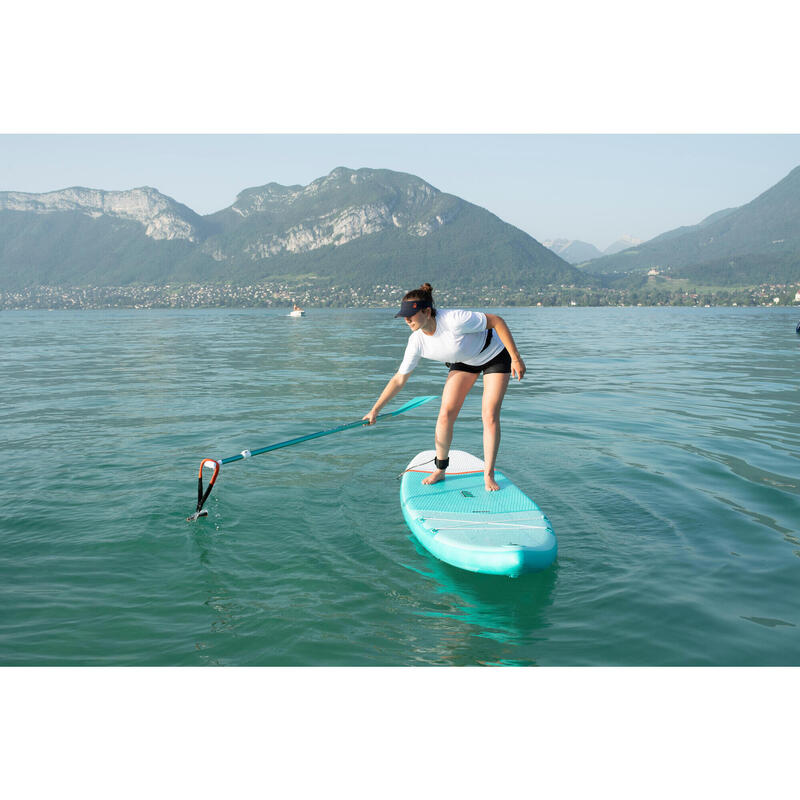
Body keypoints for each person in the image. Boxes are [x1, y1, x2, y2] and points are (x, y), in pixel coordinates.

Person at [363, 283, 526, 491]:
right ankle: (440, 469)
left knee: (489, 415)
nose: (406, 320)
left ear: (427, 311)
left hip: (494, 356)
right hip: (464, 361)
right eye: (403, 316)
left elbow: (497, 321)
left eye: (410, 315)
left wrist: (515, 358)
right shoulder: (416, 342)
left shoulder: (454, 321)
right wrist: (375, 409)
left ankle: (489, 474)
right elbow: (399, 379)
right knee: (445, 414)